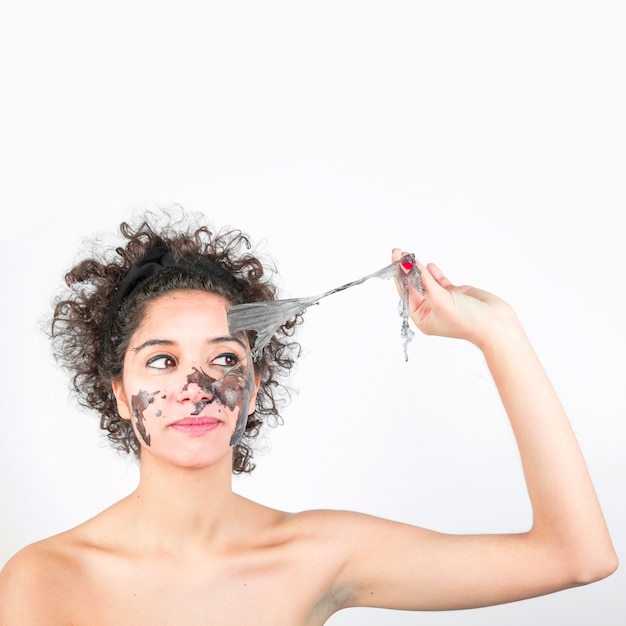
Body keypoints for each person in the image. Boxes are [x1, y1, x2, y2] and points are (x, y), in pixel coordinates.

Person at [0, 209, 617, 625]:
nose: (198, 388)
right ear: (116, 390)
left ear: (255, 383)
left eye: (224, 358)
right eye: (162, 361)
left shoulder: (317, 553)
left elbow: (576, 557)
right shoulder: (46, 579)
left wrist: (499, 334)